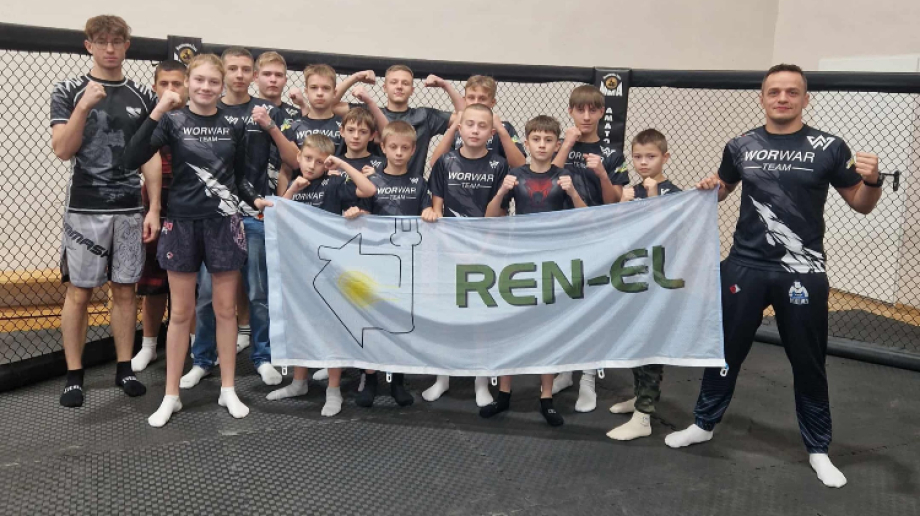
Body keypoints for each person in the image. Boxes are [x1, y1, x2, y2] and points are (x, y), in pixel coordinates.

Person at [665, 64, 883, 489]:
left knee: (808, 362)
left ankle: (818, 449)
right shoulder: (741, 144)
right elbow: (725, 187)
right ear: (762, 98)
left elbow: (861, 203)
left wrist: (872, 181)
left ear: (805, 99)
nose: (783, 98)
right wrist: (713, 187)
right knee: (724, 352)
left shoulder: (829, 147)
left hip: (803, 269)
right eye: (775, 91)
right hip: (744, 265)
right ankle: (703, 423)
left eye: (792, 92)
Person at [122, 54, 272, 427]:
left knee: (225, 311)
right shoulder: (172, 121)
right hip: (182, 225)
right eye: (199, 80)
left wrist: (256, 200)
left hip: (224, 225)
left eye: (213, 82)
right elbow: (131, 157)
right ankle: (171, 396)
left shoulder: (234, 124)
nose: (206, 87)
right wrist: (159, 109)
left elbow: (241, 178)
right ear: (188, 82)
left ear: (222, 86)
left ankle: (227, 389)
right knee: (181, 314)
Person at [50, 15, 158, 407]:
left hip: (129, 208)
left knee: (126, 290)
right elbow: (63, 149)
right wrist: (83, 107)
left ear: (127, 45)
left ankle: (124, 368)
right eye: (101, 41)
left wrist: (154, 208)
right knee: (80, 292)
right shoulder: (68, 90)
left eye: (116, 41)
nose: (109, 48)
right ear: (89, 46)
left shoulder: (143, 95)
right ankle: (74, 375)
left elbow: (149, 155)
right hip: (85, 208)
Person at [181, 48, 295, 389]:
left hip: (256, 214)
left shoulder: (270, 110)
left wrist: (271, 126)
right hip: (213, 216)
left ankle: (263, 357)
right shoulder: (208, 111)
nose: (240, 75)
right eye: (233, 69)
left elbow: (294, 159)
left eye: (246, 69)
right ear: (223, 74)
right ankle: (202, 360)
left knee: (259, 292)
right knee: (206, 294)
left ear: (254, 74)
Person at [479, 115, 588, 426]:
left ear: (557, 145)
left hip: (552, 259)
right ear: (526, 143)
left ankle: (546, 397)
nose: (542, 145)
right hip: (519, 259)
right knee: (510, 325)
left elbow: (585, 219)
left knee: (547, 327)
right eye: (536, 140)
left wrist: (573, 193)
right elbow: (490, 217)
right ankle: (504, 394)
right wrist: (501, 192)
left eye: (548, 140)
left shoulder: (564, 176)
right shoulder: (515, 175)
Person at [266, 134, 377, 416]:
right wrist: (292, 190)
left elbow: (368, 189)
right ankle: (299, 382)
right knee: (300, 323)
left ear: (327, 164)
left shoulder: (334, 182)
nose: (311, 165)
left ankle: (333, 389)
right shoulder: (295, 183)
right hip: (299, 267)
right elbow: (276, 214)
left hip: (331, 269)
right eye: (307, 159)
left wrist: (341, 164)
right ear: (298, 157)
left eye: (319, 161)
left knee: (331, 327)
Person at [343, 121, 438, 407]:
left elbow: (427, 212)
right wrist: (355, 213)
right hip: (375, 264)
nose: (398, 153)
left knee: (400, 323)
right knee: (371, 321)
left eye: (404, 148)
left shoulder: (419, 183)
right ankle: (370, 378)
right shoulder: (372, 182)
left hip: (406, 265)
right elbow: (362, 214)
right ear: (382, 147)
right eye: (393, 147)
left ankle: (397, 379)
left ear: (413, 150)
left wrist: (430, 212)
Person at [420, 103, 509, 407]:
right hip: (448, 251)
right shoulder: (445, 162)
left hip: (485, 253)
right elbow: (436, 208)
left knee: (480, 320)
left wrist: (482, 249)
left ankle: (480, 382)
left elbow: (499, 214)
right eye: (469, 124)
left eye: (482, 126)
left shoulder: (499, 165)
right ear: (459, 128)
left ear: (491, 133)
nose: (475, 130)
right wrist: (444, 236)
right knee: (446, 317)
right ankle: (442, 378)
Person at [549, 84, 631, 413]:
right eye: (579, 109)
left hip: (596, 238)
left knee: (592, 307)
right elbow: (545, 181)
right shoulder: (559, 145)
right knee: (561, 305)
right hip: (561, 236)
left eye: (592, 109)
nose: (586, 116)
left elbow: (613, 201)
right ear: (570, 111)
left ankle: (587, 378)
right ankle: (565, 370)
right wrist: (567, 143)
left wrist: (601, 174)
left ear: (601, 112)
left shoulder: (612, 154)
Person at [606, 129, 681, 441]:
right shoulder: (631, 191)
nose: (643, 162)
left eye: (650, 156)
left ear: (665, 157)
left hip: (659, 281)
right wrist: (622, 205)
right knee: (635, 340)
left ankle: (644, 416)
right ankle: (640, 397)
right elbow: (619, 232)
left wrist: (651, 197)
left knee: (650, 342)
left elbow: (665, 233)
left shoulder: (674, 193)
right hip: (634, 278)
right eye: (637, 157)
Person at [131, 59, 188, 372]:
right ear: (154, 87)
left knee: (192, 286)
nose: (171, 90)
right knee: (152, 283)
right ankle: (149, 346)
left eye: (177, 83)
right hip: (157, 206)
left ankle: (195, 347)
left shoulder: (200, 117)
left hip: (193, 210)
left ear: (187, 86)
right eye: (164, 84)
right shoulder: (149, 120)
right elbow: (140, 158)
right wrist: (153, 208)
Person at [355, 65, 464, 178]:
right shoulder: (370, 114)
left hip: (413, 186)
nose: (399, 87)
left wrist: (445, 85)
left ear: (412, 90)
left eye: (405, 83)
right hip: (377, 184)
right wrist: (356, 77)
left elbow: (465, 116)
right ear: (385, 87)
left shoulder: (424, 116)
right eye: (394, 82)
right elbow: (339, 108)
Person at [429, 75, 525, 168]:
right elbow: (435, 164)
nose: (476, 102)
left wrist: (501, 130)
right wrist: (453, 127)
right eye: (471, 97)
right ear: (465, 100)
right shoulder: (460, 128)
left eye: (482, 99)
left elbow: (520, 165)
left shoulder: (504, 128)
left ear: (492, 102)